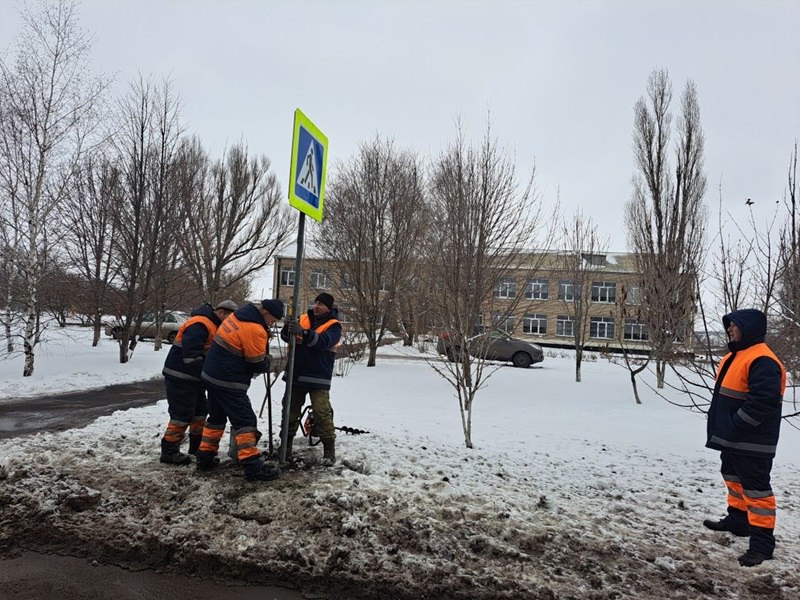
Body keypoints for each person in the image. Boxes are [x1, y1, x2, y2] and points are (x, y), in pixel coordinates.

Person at [704, 308, 786, 567]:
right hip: (733, 438)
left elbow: (764, 403)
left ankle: (762, 545)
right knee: (733, 479)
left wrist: (737, 424)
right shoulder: (736, 356)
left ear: (748, 329)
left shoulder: (763, 360)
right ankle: (738, 521)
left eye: (734, 326)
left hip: (752, 443)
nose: (730, 329)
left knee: (756, 491)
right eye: (729, 326)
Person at [195, 299, 283, 481]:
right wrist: (267, 360)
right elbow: (256, 363)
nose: (271, 324)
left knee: (216, 418)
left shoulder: (239, 315)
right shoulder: (255, 328)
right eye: (272, 320)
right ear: (265, 313)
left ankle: (205, 457)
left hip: (211, 375)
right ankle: (253, 467)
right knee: (245, 421)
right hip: (229, 380)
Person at [159, 300, 237, 465]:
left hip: (194, 379)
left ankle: (196, 448)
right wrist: (207, 375)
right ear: (222, 312)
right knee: (182, 415)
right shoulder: (200, 324)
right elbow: (191, 357)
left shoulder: (212, 325)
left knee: (200, 413)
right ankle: (169, 451)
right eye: (230, 317)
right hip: (181, 377)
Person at [280, 292, 342, 466]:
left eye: (321, 304)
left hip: (318, 377)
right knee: (289, 412)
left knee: (322, 413)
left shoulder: (334, 326)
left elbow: (323, 342)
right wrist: (287, 329)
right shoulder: (303, 318)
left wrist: (304, 333)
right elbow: (287, 337)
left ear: (329, 308)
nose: (316, 306)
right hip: (296, 373)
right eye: (316, 303)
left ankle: (329, 451)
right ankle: (286, 446)